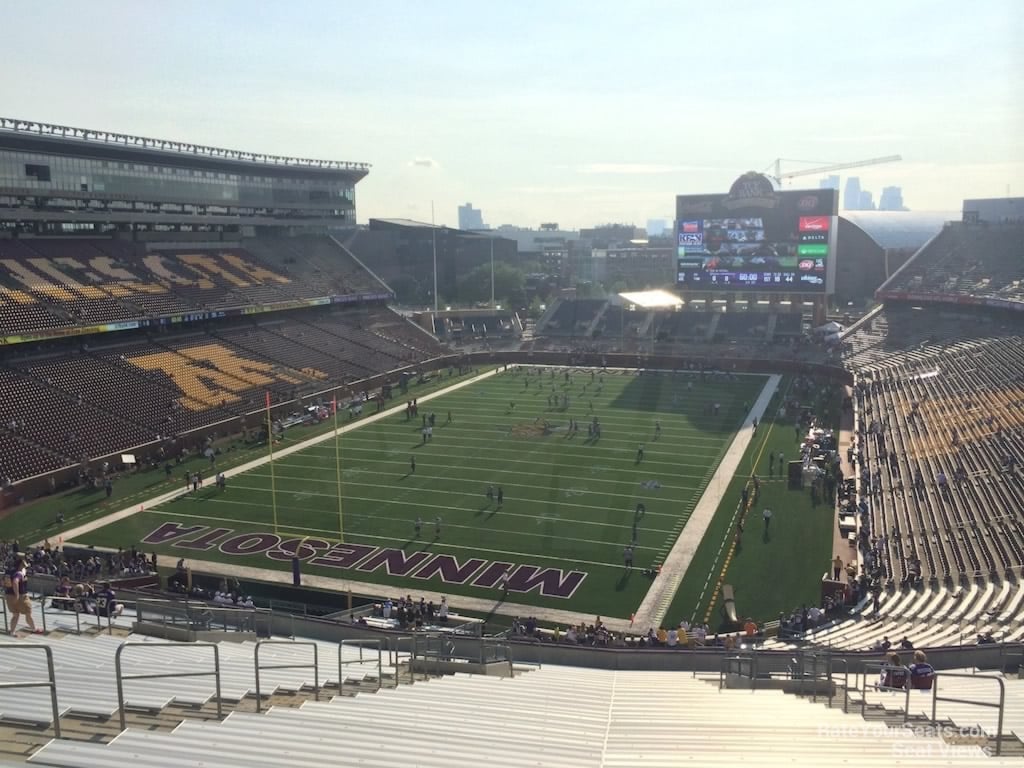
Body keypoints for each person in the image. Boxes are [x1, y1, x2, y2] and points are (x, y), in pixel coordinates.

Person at [4, 556, 40, 634]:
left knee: (15, 615)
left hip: (9, 595)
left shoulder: (10, 571)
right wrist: (17, 595)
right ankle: (34, 629)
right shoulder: (19, 573)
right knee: (28, 613)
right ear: (21, 564)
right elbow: (15, 581)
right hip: (21, 596)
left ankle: (12, 632)